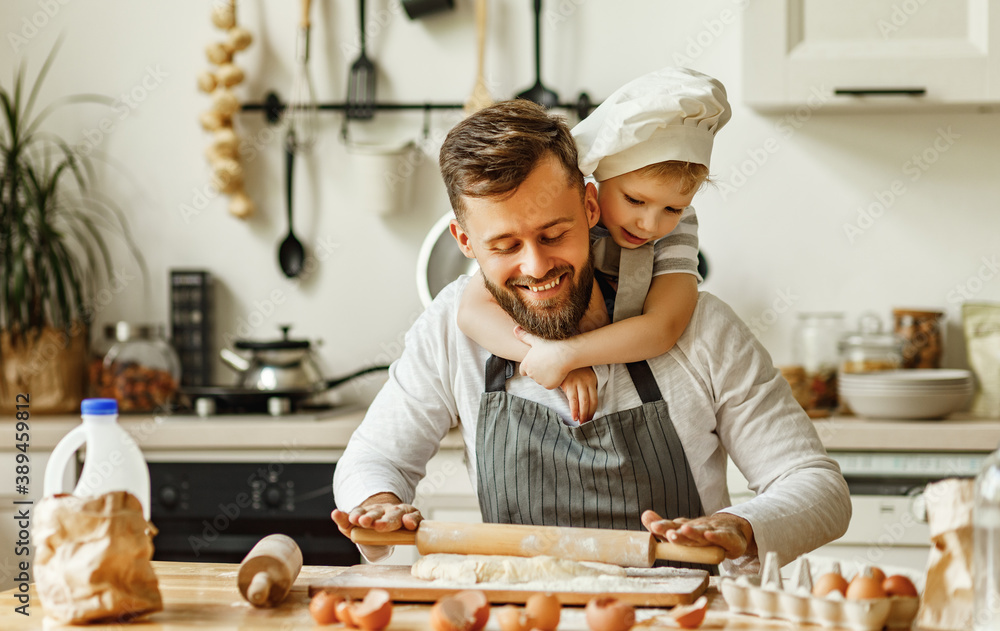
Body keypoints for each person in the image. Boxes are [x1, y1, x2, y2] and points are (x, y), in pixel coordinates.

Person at [332, 98, 851, 575]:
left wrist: (742, 527)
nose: (536, 267)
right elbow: (375, 458)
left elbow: (816, 485)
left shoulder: (701, 328)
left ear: (590, 208)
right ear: (465, 241)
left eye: (553, 234)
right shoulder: (451, 331)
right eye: (505, 245)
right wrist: (376, 503)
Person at [457, 68, 730, 424]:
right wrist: (545, 354)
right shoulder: (564, 218)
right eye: (634, 200)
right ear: (593, 192)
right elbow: (471, 312)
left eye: (673, 208)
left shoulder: (675, 235)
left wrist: (570, 356)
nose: (650, 224)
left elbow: (663, 327)